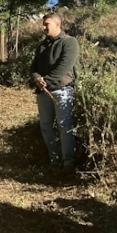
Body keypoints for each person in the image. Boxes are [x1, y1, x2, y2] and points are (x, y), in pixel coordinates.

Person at [29, 12, 79, 173]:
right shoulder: (42, 46)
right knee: (46, 126)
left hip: (62, 91)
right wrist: (37, 78)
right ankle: (55, 160)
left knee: (65, 127)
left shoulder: (69, 42)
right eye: (43, 24)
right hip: (43, 92)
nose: (44, 27)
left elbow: (64, 67)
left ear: (58, 25)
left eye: (47, 24)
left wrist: (46, 81)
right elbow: (33, 68)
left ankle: (68, 163)